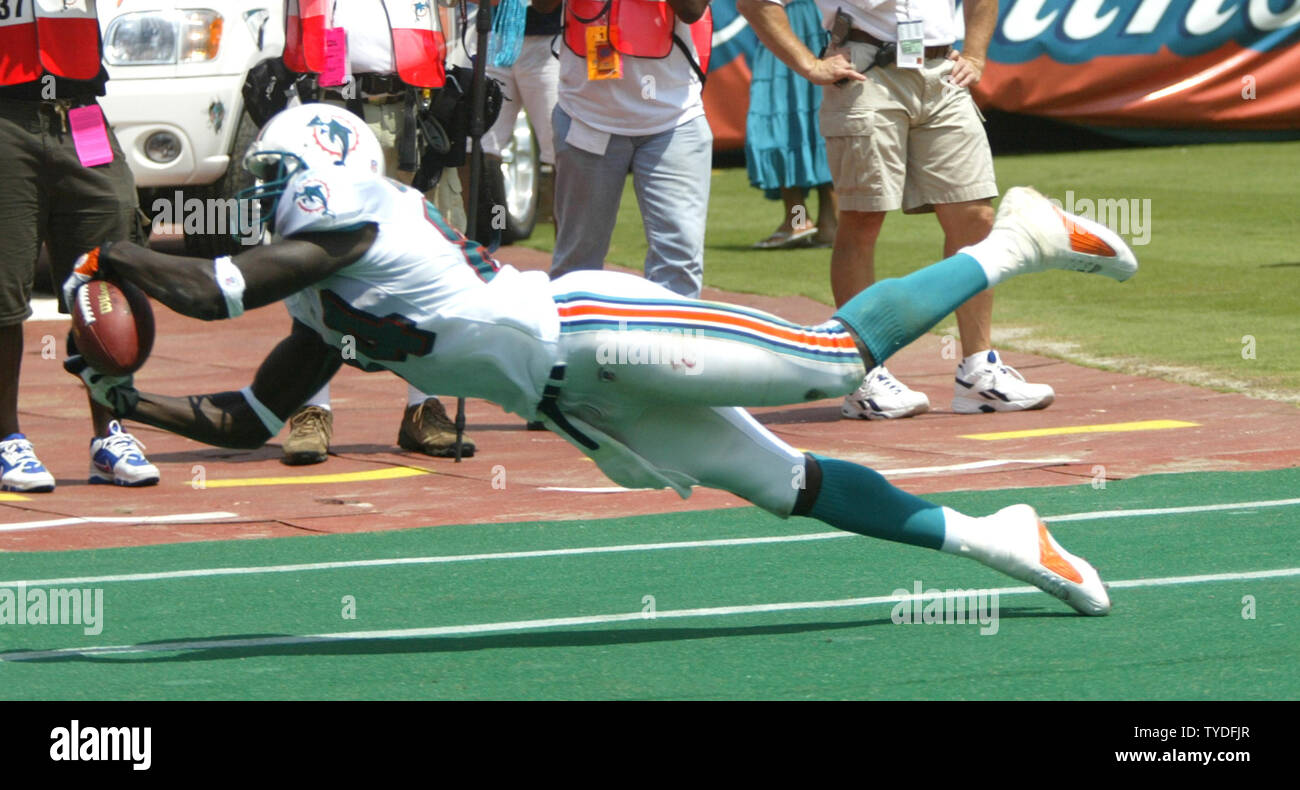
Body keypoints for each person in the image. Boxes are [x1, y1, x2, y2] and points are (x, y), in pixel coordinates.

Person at [63, 103, 1137, 616]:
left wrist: (112, 248)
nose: (255, 200)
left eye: (271, 177)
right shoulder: (325, 300)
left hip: (597, 332)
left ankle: (1019, 235)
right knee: (787, 482)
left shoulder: (357, 229)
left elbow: (206, 291)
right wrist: (130, 399)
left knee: (828, 362)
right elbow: (251, 421)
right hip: (575, 403)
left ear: (321, 173)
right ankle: (999, 538)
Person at [738, 0, 1057, 421]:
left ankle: (979, 373)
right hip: (864, 70)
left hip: (943, 72)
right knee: (862, 218)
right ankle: (862, 376)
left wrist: (977, 54)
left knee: (975, 216)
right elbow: (755, 3)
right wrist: (809, 65)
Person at [277, 0, 474, 464]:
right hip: (327, 109)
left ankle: (424, 405)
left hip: (414, 109)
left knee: (430, 264)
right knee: (313, 262)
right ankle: (311, 408)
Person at [0, 0, 159, 491]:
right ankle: (6, 439)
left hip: (80, 115)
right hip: (6, 115)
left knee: (107, 274)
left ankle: (110, 434)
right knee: (3, 291)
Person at [535, 0, 714, 298]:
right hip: (587, 117)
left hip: (673, 120)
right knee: (577, 263)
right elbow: (543, 6)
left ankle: (668, 341)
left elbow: (692, 9)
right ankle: (575, 341)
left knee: (679, 260)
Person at [745, 0, 837, 250]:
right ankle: (819, 223)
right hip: (811, 19)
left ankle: (803, 220)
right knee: (806, 122)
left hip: (787, 20)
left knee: (789, 123)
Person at [482, 6, 562, 228]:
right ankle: (491, 234)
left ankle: (567, 257)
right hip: (495, 38)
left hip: (548, 42)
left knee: (561, 151)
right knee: (480, 146)